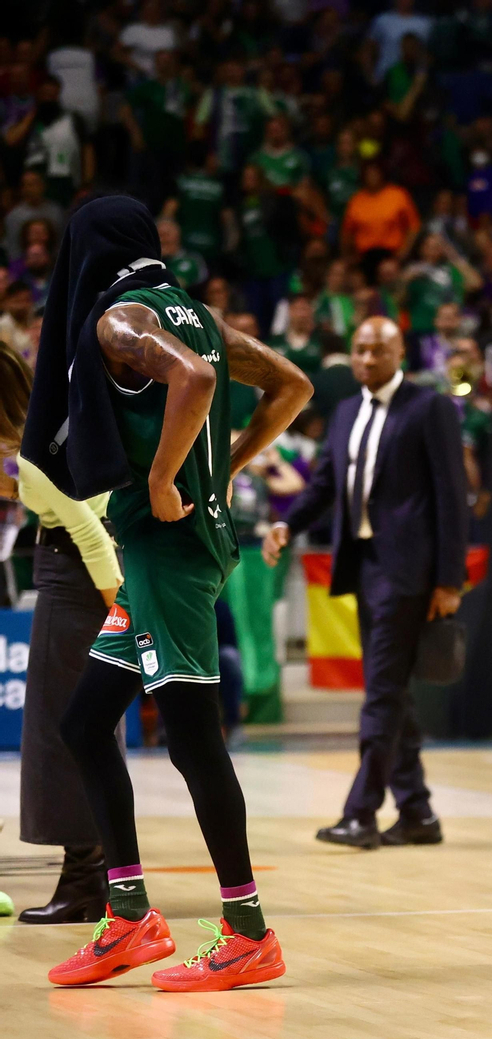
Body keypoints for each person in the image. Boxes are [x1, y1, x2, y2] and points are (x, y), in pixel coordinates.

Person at [27, 197, 310, 990]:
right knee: (84, 724)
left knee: (192, 740)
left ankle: (248, 931)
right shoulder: (199, 314)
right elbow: (291, 385)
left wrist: (160, 478)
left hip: (167, 551)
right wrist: (226, 469)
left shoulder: (120, 319)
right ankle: (128, 919)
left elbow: (193, 378)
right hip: (190, 545)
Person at [264, 316, 469, 850]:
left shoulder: (430, 408)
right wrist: (289, 523)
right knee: (392, 694)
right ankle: (418, 813)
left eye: (378, 351)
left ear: (400, 352)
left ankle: (360, 813)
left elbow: (452, 497)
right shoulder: (347, 412)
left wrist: (449, 580)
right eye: (359, 351)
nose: (367, 360)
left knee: (380, 693)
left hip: (412, 573)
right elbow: (327, 482)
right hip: (365, 567)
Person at [1, 342, 119, 925]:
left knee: (63, 732)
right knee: (85, 730)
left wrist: (117, 607)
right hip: (79, 578)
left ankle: (84, 884)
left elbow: (89, 532)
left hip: (76, 582)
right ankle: (104, 878)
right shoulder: (56, 428)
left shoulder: (29, 457)